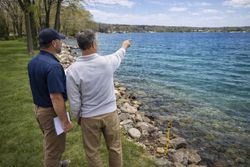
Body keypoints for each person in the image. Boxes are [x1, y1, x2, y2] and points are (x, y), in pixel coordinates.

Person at [66, 29, 131, 167]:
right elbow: (119, 55)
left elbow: (74, 100)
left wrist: (78, 117)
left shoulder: (73, 70)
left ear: (79, 46)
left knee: (92, 152)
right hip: (110, 114)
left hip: (89, 117)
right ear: (94, 44)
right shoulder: (107, 62)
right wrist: (124, 45)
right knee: (115, 148)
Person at [28, 28, 73, 167]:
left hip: (38, 109)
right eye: (60, 40)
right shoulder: (53, 66)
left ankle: (58, 163)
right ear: (54, 43)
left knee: (51, 141)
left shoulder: (33, 61)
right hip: (50, 112)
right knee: (53, 150)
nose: (61, 43)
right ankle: (54, 163)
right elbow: (56, 98)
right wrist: (65, 121)